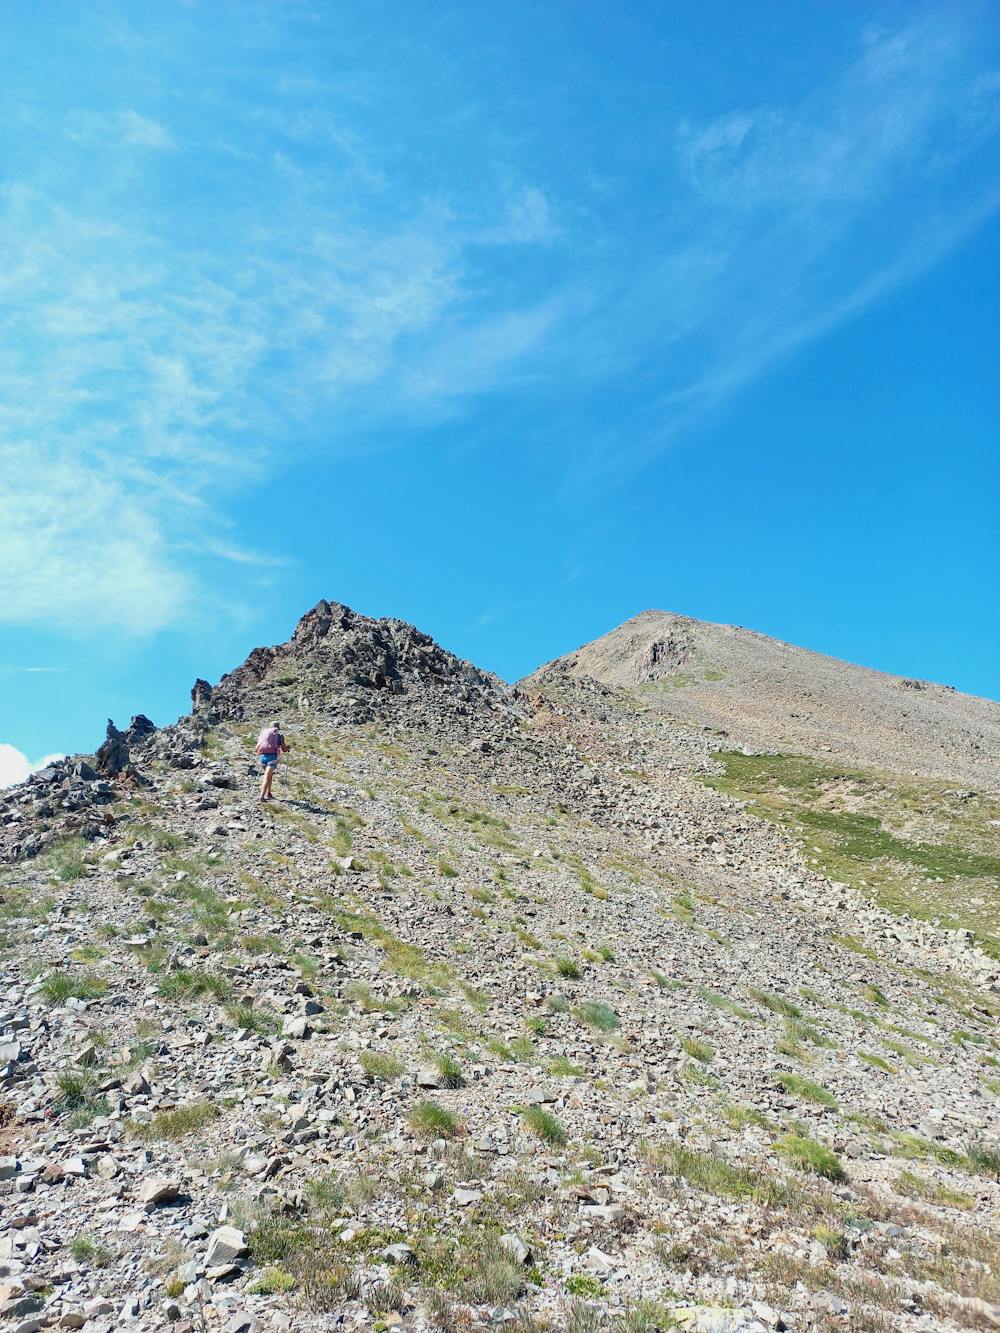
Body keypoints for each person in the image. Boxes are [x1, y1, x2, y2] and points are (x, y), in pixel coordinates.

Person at [255, 720, 289, 803]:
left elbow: (257, 747)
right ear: (278, 728)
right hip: (272, 757)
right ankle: (262, 797)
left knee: (269, 775)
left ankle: (268, 793)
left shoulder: (264, 734)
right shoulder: (280, 736)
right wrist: (288, 748)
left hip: (262, 757)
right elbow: (284, 749)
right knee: (267, 777)